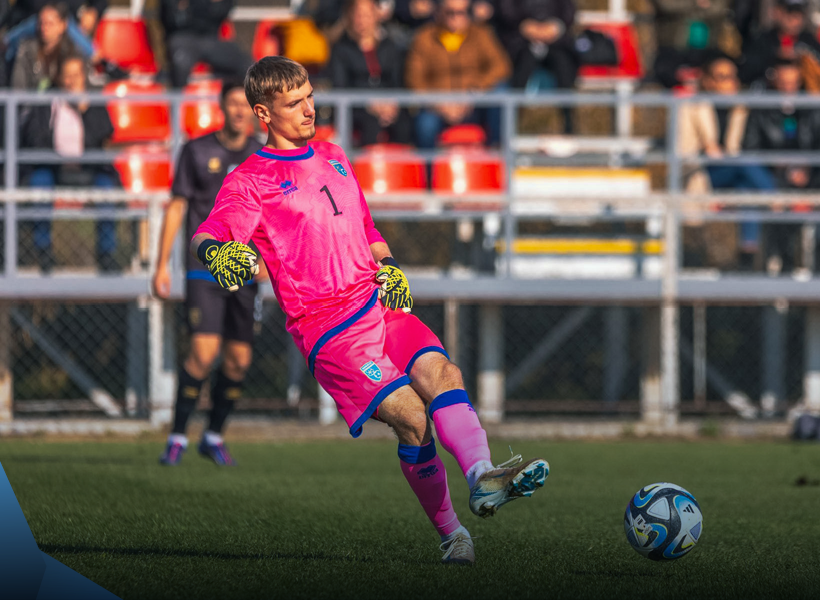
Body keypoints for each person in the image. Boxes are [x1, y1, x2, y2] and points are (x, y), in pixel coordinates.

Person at [191, 56, 549, 563]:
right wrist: (216, 253)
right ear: (262, 114)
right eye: (294, 103)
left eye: (310, 95)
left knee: (443, 373)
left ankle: (482, 478)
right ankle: (453, 534)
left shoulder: (335, 155)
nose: (309, 108)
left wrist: (390, 264)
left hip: (374, 304)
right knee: (410, 416)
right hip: (329, 330)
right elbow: (206, 233)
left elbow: (366, 227)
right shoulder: (251, 180)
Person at [153, 80, 262, 466]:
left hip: (246, 272)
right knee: (203, 352)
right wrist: (162, 264)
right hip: (204, 267)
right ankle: (178, 436)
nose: (238, 110)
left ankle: (213, 436)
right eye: (232, 103)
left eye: (244, 104)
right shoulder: (196, 150)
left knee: (238, 361)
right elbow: (177, 207)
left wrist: (269, 263)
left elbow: (271, 217)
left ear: (254, 110)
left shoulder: (262, 156)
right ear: (221, 107)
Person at [19, 54, 119, 272]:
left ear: (84, 78)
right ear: (60, 79)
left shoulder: (94, 103)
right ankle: (43, 251)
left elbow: (103, 137)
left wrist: (85, 111)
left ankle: (106, 254)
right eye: (67, 76)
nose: (71, 81)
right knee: (39, 185)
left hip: (90, 170)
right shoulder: (47, 103)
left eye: (76, 76)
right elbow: (34, 138)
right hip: (53, 169)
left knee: (107, 189)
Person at [678, 55, 772, 266]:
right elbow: (682, 152)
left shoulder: (741, 108)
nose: (731, 82)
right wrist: (705, 149)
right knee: (744, 162)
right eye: (723, 77)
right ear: (708, 81)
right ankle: (775, 197)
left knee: (746, 190)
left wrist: (727, 155)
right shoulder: (689, 106)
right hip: (701, 172)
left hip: (733, 171)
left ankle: (748, 251)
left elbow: (743, 146)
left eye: (733, 76)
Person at [742, 59, 820, 273]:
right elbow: (751, 148)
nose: (788, 89)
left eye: (793, 83)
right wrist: (780, 164)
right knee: (773, 197)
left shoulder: (815, 110)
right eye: (783, 83)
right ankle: (780, 263)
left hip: (811, 179)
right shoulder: (761, 110)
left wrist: (808, 168)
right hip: (775, 179)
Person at [405, 0, 511, 148]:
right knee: (425, 126)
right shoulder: (424, 37)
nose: (455, 17)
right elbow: (415, 78)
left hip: (473, 106)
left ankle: (497, 156)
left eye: (461, 12)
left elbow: (500, 66)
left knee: (500, 93)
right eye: (450, 12)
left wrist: (474, 92)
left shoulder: (481, 34)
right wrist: (439, 103)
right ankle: (428, 170)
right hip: (437, 107)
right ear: (440, 12)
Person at [330, 0, 412, 146]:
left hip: (388, 104)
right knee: (370, 125)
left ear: (376, 16)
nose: (362, 21)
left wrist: (391, 105)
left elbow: (398, 82)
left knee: (405, 124)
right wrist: (369, 104)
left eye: (366, 15)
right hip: (357, 108)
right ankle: (366, 167)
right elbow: (340, 86)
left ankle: (402, 167)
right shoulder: (340, 50)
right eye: (358, 16)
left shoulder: (390, 47)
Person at [493, 0, 577, 132]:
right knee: (519, 74)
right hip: (520, 43)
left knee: (564, 68)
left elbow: (569, 11)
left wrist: (555, 27)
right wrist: (524, 26)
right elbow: (506, 10)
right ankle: (511, 129)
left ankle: (569, 128)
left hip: (557, 43)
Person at [739, 0, 820, 87]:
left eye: (800, 13)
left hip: (803, 104)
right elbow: (745, 73)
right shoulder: (763, 40)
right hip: (769, 102)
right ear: (777, 12)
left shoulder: (808, 40)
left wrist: (805, 58)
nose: (796, 18)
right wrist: (775, 56)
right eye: (790, 12)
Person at [159, 0, 253, 88]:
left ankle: (243, 100)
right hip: (182, 38)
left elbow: (222, 11)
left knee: (247, 65)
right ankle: (177, 103)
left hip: (212, 40)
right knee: (180, 63)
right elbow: (172, 19)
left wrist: (215, 4)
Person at [2, 0, 102, 65]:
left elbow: (101, 3)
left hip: (66, 31)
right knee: (48, 18)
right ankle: (94, 55)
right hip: (29, 25)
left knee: (60, 20)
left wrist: (93, 12)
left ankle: (95, 56)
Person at [10, 2, 76, 91]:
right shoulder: (25, 50)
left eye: (50, 23)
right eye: (41, 23)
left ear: (63, 25)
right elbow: (18, 88)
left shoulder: (71, 53)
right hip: (29, 103)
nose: (44, 27)